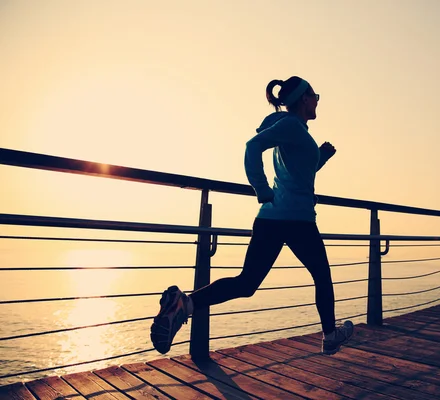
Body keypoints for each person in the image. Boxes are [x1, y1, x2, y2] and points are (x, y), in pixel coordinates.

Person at [150, 76, 354, 356]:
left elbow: (298, 173)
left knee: (247, 283)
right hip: (297, 220)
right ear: (304, 99)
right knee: (322, 275)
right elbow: (252, 146)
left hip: (273, 218)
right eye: (315, 95)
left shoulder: (294, 129)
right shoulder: (291, 125)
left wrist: (321, 157)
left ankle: (184, 304)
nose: (318, 100)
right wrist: (260, 187)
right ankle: (331, 336)